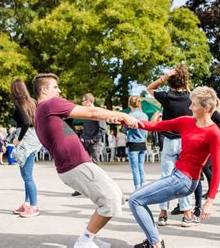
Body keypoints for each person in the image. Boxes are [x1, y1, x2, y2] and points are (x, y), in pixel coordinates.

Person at [32, 73, 141, 248]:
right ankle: (84, 241)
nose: (59, 90)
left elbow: (93, 115)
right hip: (75, 165)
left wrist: (108, 116)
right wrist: (122, 115)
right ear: (44, 89)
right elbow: (91, 111)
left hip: (77, 164)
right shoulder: (50, 104)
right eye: (55, 87)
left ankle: (90, 237)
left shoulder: (42, 111)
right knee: (111, 201)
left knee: (116, 196)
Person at [129, 86, 220, 248]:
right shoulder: (186, 121)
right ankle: (154, 240)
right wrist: (127, 120)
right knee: (139, 200)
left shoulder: (214, 133)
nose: (190, 107)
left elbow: (217, 168)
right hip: (177, 174)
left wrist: (210, 201)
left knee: (135, 200)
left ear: (206, 108)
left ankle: (155, 243)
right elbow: (154, 126)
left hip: (185, 180)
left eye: (194, 104)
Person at [146, 64, 193, 225]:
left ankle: (163, 213)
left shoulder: (166, 96)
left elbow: (149, 88)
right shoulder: (191, 98)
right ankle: (187, 214)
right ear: (185, 81)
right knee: (185, 177)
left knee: (166, 177)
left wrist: (164, 77)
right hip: (186, 142)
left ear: (170, 82)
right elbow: (190, 91)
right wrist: (185, 82)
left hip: (168, 141)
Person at [10, 78, 43, 218]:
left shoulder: (19, 103)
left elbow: (25, 122)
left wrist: (18, 138)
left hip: (26, 140)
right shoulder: (32, 102)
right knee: (26, 175)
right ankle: (27, 204)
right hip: (34, 138)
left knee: (27, 176)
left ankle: (34, 206)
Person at [196, 99, 220, 215]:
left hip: (214, 147)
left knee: (206, 167)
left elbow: (219, 132)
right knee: (209, 168)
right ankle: (211, 190)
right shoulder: (211, 115)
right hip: (208, 146)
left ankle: (213, 190)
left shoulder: (216, 116)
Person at [125, 96, 148, 190]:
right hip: (143, 143)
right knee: (141, 167)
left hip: (133, 142)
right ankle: (143, 189)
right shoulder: (145, 115)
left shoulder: (130, 115)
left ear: (130, 104)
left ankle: (137, 190)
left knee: (135, 169)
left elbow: (124, 129)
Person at [80, 93, 107, 164]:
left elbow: (103, 129)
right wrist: (82, 136)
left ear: (88, 101)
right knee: (85, 164)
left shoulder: (98, 112)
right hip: (85, 142)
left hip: (94, 144)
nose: (82, 103)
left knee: (95, 165)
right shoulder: (86, 113)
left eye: (83, 101)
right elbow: (85, 127)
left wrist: (94, 140)